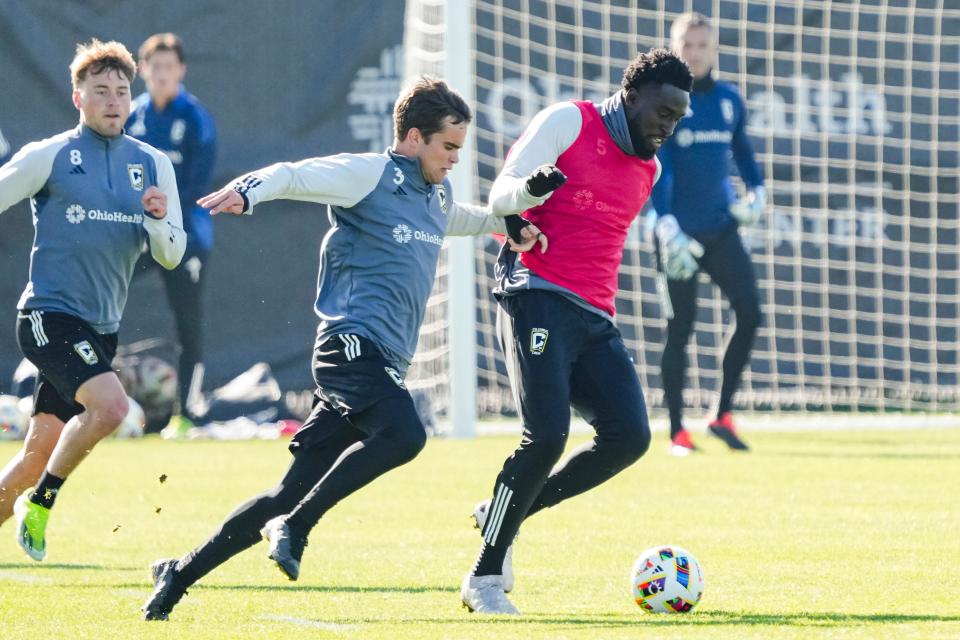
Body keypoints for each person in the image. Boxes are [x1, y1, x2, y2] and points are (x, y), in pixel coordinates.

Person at [141, 76, 545, 621]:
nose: (454, 159)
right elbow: (294, 174)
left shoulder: (436, 193)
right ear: (413, 137)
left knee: (283, 492)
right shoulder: (370, 174)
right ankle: (299, 526)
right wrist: (250, 191)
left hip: (377, 364)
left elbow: (468, 218)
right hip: (348, 346)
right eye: (448, 147)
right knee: (405, 434)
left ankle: (178, 574)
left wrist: (510, 224)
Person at [460, 49, 693, 615]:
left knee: (629, 437)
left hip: (594, 316)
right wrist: (529, 192)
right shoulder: (569, 121)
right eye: (662, 112)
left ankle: (505, 513)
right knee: (545, 435)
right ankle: (484, 579)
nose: (668, 127)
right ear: (631, 97)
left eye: (678, 118)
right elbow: (500, 195)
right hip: (533, 293)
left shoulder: (651, 169)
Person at [0, 40, 185, 558]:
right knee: (111, 408)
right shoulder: (52, 155)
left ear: (132, 99)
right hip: (47, 317)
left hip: (100, 331)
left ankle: (31, 493)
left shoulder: (151, 164)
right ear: (77, 97)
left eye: (122, 92)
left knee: (36, 457)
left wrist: (155, 219)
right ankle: (41, 505)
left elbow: (171, 253)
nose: (112, 101)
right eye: (100, 91)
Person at [650, 12, 766, 456]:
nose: (693, 52)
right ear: (673, 47)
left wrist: (758, 191)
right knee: (680, 327)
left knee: (751, 312)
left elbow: (743, 152)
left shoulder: (729, 100)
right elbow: (659, 168)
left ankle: (721, 414)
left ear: (714, 49)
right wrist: (663, 222)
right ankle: (677, 432)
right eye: (686, 44)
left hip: (720, 229)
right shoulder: (661, 101)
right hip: (677, 234)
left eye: (701, 45)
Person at [127, 33, 217, 434]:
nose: (162, 74)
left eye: (169, 66)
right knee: (98, 302)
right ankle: (87, 398)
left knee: (188, 322)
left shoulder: (196, 120)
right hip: (134, 235)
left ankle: (185, 413)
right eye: (154, 66)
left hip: (184, 239)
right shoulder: (131, 116)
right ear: (143, 70)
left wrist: (168, 221)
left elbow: (198, 189)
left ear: (181, 70)